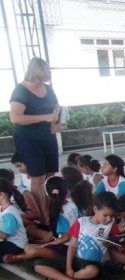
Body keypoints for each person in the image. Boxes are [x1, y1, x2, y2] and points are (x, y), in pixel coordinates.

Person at [10, 57, 62, 222]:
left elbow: (56, 106)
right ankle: (42, 216)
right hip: (28, 139)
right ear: (32, 73)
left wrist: (57, 121)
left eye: (45, 78)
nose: (42, 81)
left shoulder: (48, 88)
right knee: (38, 178)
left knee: (50, 174)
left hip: (48, 136)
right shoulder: (21, 91)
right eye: (39, 78)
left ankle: (48, 207)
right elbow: (15, 118)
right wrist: (45, 117)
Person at [33, 192, 119, 280]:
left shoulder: (111, 224)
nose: (109, 219)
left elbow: (112, 240)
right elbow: (72, 246)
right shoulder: (81, 222)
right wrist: (68, 267)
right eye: (105, 215)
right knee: (38, 265)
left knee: (93, 271)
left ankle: (62, 278)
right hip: (76, 261)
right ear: (95, 209)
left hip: (93, 264)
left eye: (111, 216)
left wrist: (112, 244)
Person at [6, 176, 77, 263]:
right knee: (30, 235)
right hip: (68, 241)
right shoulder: (72, 204)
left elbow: (66, 237)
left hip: (66, 248)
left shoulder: (60, 212)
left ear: (47, 194)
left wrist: (46, 244)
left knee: (30, 250)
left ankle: (19, 257)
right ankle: (40, 244)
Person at [0, 178, 29, 261]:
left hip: (16, 245)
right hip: (8, 243)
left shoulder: (9, 213)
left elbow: (4, 235)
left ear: (1, 195)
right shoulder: (4, 209)